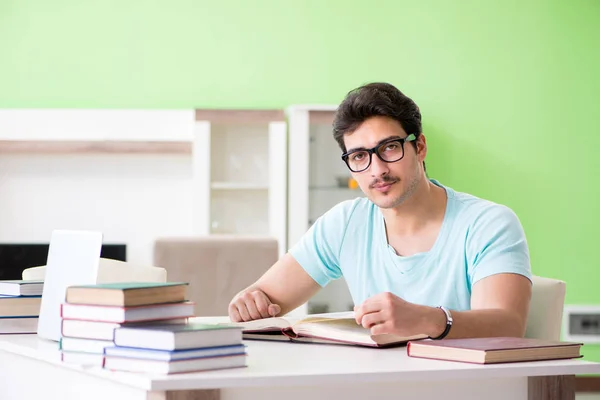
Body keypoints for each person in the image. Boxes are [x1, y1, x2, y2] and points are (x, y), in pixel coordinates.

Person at [228, 82, 532, 340]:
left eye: (389, 148)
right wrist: (249, 301)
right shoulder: (345, 223)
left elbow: (508, 326)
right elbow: (267, 297)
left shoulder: (489, 224)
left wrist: (427, 320)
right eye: (360, 156)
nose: (378, 170)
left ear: (420, 147)